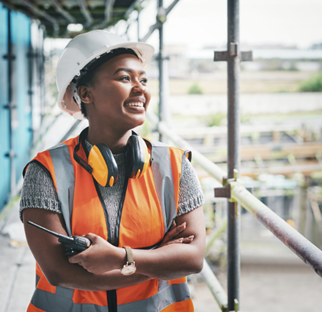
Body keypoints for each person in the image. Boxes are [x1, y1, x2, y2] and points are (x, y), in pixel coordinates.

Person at [20, 30, 206, 312]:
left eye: (143, 79)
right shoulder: (45, 172)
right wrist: (158, 259)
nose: (140, 88)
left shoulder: (175, 166)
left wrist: (120, 258)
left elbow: (192, 259)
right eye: (124, 77)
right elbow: (59, 273)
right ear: (86, 93)